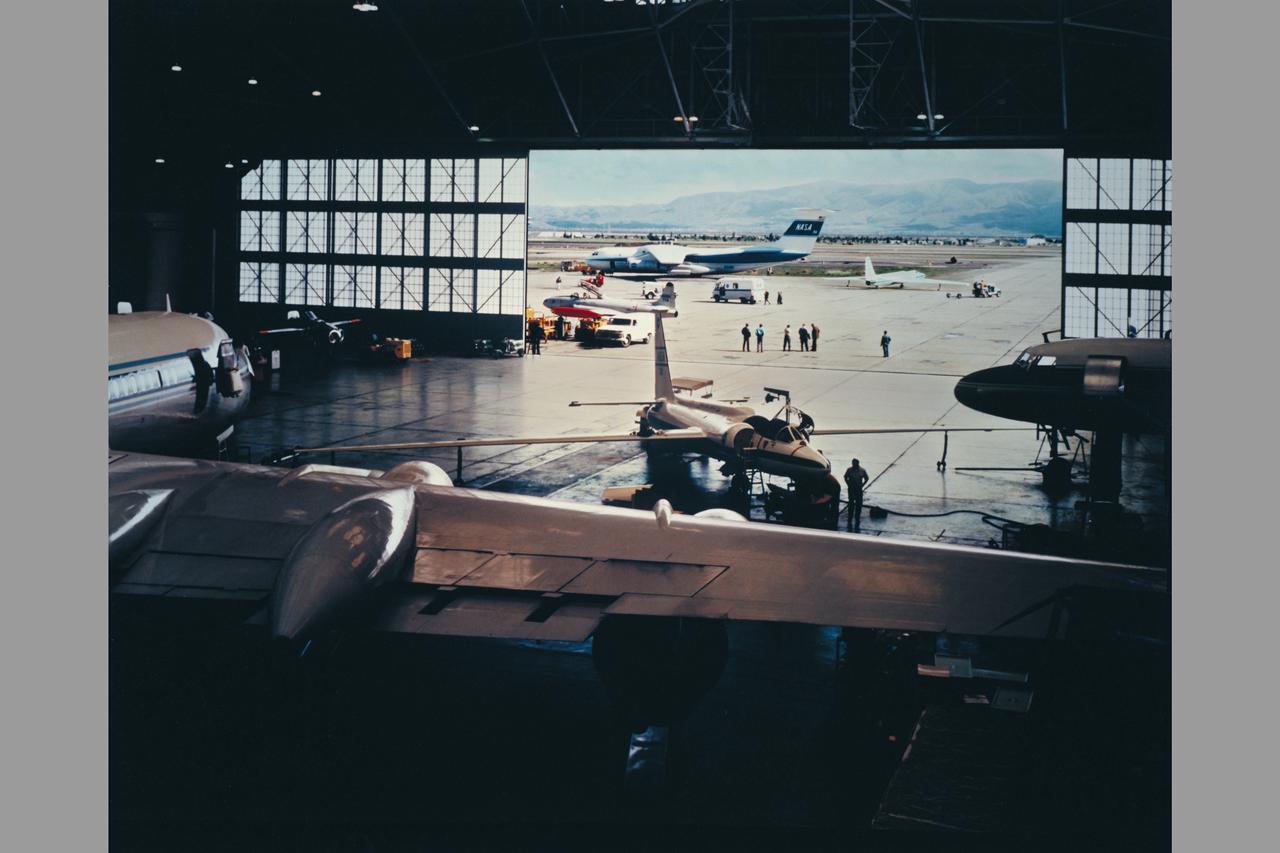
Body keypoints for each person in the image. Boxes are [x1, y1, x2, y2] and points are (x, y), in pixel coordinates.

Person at [843, 458, 870, 532]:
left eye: (854, 463)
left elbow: (866, 478)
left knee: (859, 504)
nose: (853, 465)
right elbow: (845, 477)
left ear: (858, 463)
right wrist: (848, 484)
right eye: (852, 463)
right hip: (851, 488)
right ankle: (850, 517)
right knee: (851, 503)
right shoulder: (849, 470)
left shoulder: (862, 470)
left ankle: (857, 518)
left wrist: (862, 485)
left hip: (858, 489)